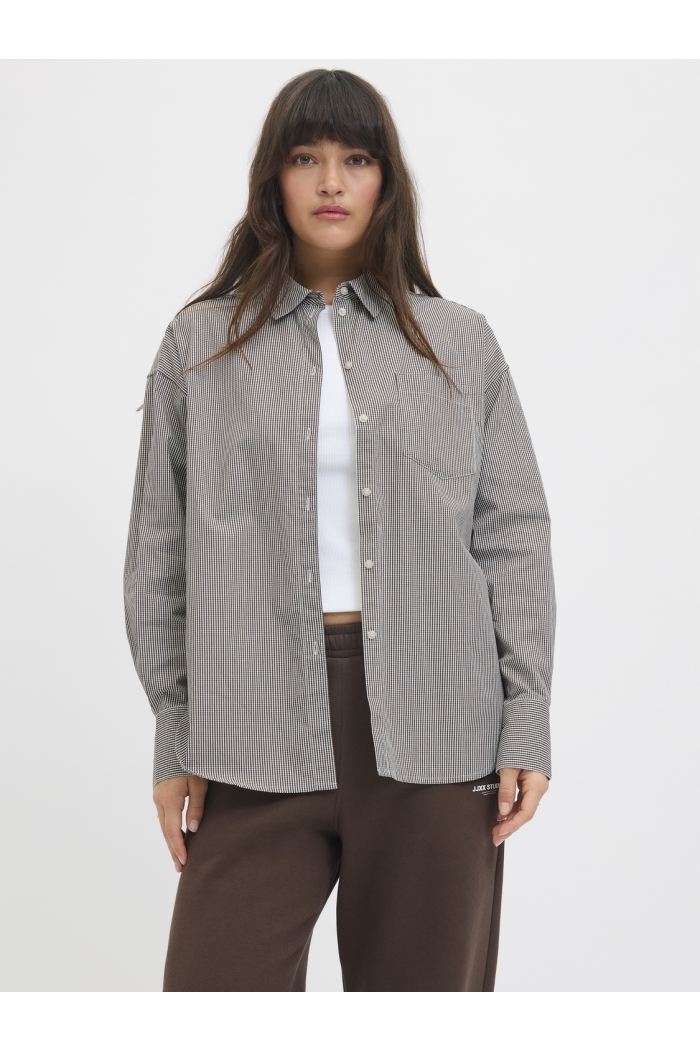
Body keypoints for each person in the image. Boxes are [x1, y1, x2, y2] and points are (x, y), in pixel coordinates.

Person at [123, 68, 556, 993]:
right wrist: (175, 734)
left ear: (386, 181)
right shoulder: (199, 344)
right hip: (249, 724)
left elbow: (513, 533)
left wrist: (527, 719)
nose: (330, 182)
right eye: (305, 158)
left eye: (356, 159)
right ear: (271, 180)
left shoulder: (460, 341)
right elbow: (159, 550)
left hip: (439, 726)